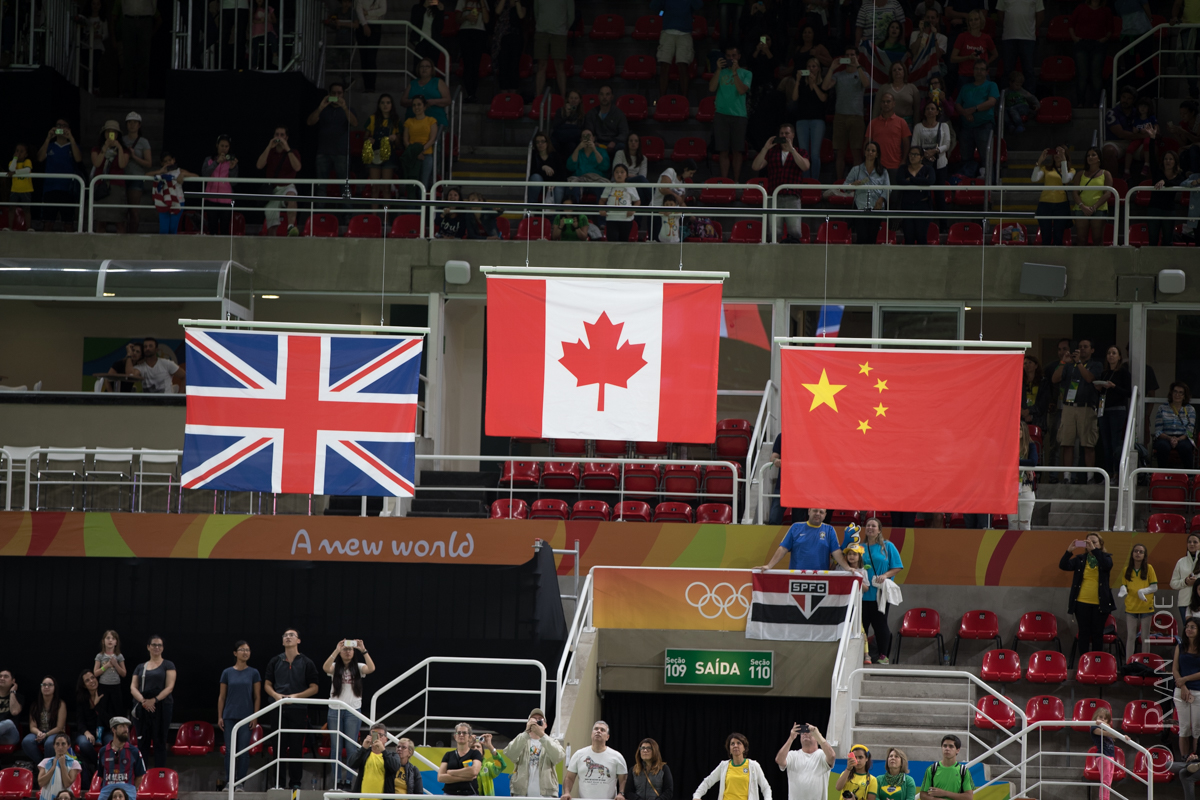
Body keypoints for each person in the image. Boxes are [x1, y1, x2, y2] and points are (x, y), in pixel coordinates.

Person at [264, 629, 320, 790]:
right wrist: (276, 695)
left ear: (299, 641)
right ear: (282, 641)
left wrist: (295, 697)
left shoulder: (307, 662)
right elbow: (267, 684)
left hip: (298, 709)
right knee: (278, 747)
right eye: (285, 636)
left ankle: (295, 783)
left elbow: (314, 687)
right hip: (278, 707)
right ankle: (278, 783)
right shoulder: (275, 661)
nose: (288, 637)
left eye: (291, 635)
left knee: (296, 747)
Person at [323, 638, 376, 790]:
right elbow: (325, 667)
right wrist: (336, 650)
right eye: (345, 649)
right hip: (334, 709)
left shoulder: (358, 667)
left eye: (350, 649)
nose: (347, 652)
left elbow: (371, 668)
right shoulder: (334, 666)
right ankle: (336, 780)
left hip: (353, 711)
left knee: (352, 747)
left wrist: (363, 649)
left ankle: (349, 781)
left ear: (354, 652)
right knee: (336, 748)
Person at [1052, 338, 1102, 482]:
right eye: (1080, 347)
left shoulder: (1095, 365)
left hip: (1086, 407)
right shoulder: (1069, 365)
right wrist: (1064, 361)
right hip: (1068, 407)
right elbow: (1054, 379)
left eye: (1086, 347)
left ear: (1092, 350)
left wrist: (1079, 363)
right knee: (1066, 443)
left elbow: (1089, 378)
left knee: (1088, 444)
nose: (1082, 349)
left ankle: (1089, 477)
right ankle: (1067, 477)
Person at [751, 124, 810, 242]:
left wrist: (792, 150)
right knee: (774, 233)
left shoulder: (800, 151)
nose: (784, 136)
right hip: (774, 197)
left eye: (787, 133)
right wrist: (765, 148)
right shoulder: (772, 152)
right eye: (782, 134)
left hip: (793, 197)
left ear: (793, 135)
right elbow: (755, 166)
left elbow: (805, 167)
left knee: (795, 231)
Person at [307, 83, 358, 218]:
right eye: (333, 93)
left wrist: (345, 107)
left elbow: (355, 123)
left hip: (341, 153)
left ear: (343, 94)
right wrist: (321, 107)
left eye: (339, 93)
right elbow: (310, 122)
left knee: (345, 187)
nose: (336, 96)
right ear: (329, 94)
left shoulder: (348, 109)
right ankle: (317, 217)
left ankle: (348, 218)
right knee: (321, 187)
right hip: (323, 152)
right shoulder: (323, 109)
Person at [1059, 533, 1115, 655]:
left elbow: (1107, 565)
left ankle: (1096, 661)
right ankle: (1084, 661)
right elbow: (1063, 565)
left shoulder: (1106, 557)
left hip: (1100, 604)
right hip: (1081, 602)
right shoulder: (1080, 559)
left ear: (1100, 544)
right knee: (1084, 633)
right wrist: (1069, 551)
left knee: (1097, 633)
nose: (1091, 544)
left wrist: (1094, 551)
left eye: (1094, 542)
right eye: (1088, 542)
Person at [217, 641, 261, 790]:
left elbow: (257, 696)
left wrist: (255, 716)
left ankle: (240, 783)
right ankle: (230, 781)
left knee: (243, 751)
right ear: (235, 653)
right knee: (230, 751)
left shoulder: (254, 672)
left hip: (246, 716)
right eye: (242, 650)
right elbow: (222, 697)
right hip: (229, 716)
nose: (245, 652)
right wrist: (220, 716)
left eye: (248, 650)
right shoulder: (227, 672)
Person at [861, 518, 903, 662]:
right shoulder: (860, 547)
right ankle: (863, 655)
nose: (870, 528)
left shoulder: (887, 546)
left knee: (880, 626)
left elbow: (897, 566)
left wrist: (885, 575)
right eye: (868, 525)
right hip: (862, 594)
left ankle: (883, 656)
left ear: (879, 530)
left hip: (879, 595)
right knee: (862, 627)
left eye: (874, 526)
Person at [824, 47, 869, 181]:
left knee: (856, 152)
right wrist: (832, 68)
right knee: (840, 153)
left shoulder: (863, 73)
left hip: (857, 117)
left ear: (858, 56)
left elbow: (866, 84)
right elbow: (825, 87)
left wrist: (858, 65)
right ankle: (839, 182)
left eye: (852, 55)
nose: (849, 57)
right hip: (840, 117)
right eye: (847, 55)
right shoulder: (839, 75)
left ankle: (857, 182)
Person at [130, 635, 175, 768]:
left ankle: (159, 775)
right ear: (148, 647)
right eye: (154, 645)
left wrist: (154, 700)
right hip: (142, 707)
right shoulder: (140, 667)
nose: (157, 647)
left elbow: (170, 687)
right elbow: (133, 687)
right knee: (142, 742)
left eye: (159, 645)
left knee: (159, 741)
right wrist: (144, 701)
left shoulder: (168, 664)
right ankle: (141, 775)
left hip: (162, 707)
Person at [758, 508, 851, 571]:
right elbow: (783, 549)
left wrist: (848, 568)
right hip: (797, 577)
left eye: (821, 512)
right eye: (815, 511)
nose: (818, 514)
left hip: (820, 578)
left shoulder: (829, 530)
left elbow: (836, 552)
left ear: (825, 515)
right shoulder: (795, 527)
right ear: (809, 511)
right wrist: (769, 566)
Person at [709, 47, 752, 182]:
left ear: (739, 56)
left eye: (734, 55)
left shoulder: (746, 73)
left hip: (739, 115)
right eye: (728, 56)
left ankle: (737, 181)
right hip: (721, 114)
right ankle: (725, 181)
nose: (731, 58)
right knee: (723, 150)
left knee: (737, 151)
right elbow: (711, 88)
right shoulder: (720, 72)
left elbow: (741, 90)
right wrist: (717, 70)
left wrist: (734, 73)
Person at [954, 59, 998, 183]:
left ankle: (990, 186)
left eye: (982, 69)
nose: (979, 71)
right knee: (965, 158)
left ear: (987, 72)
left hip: (984, 126)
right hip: (966, 126)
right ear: (973, 71)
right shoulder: (965, 87)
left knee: (986, 157)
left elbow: (992, 102)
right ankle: (966, 185)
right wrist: (965, 113)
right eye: (976, 69)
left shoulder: (991, 85)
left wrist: (973, 110)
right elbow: (957, 104)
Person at [505, 708, 564, 798]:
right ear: (528, 723)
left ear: (545, 725)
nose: (536, 721)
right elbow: (510, 753)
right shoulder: (521, 740)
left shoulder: (552, 742)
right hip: (521, 794)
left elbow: (558, 756)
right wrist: (526, 733)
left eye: (539, 719)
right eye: (533, 719)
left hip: (546, 795)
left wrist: (542, 735)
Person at [37, 120, 83, 232]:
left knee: (68, 224)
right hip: (50, 188)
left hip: (67, 190)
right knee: (48, 223)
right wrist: (48, 138)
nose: (61, 128)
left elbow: (78, 159)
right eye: (58, 125)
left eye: (64, 126)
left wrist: (71, 138)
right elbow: (40, 158)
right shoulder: (50, 145)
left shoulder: (73, 146)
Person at [694, 733, 771, 800]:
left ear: (744, 748)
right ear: (729, 749)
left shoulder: (753, 765)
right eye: (732, 744)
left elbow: (765, 787)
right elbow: (707, 781)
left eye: (739, 743)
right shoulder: (723, 766)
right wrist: (696, 796)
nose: (735, 746)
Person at [563, 721, 626, 800]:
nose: (598, 731)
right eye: (596, 729)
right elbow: (569, 778)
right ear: (591, 734)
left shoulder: (617, 756)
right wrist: (567, 793)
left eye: (602, 730)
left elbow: (623, 779)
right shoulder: (578, 754)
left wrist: (621, 794)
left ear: (607, 737)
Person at [652, 0, 703, 98]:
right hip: (668, 31)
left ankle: (684, 99)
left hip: (684, 33)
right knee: (664, 65)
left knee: (683, 65)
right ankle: (662, 99)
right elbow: (654, 6)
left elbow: (698, 5)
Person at [256, 126, 301, 235]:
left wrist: (287, 149)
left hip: (287, 186)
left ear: (286, 137)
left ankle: (291, 227)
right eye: (277, 135)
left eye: (282, 135)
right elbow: (259, 165)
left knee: (291, 197)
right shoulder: (270, 152)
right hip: (273, 190)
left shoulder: (293, 152)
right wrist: (268, 147)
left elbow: (297, 168)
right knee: (271, 227)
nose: (279, 137)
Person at [843, 141, 890, 245]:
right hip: (860, 207)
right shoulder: (856, 170)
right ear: (864, 152)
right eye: (868, 150)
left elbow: (888, 188)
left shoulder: (883, 171)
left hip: (876, 208)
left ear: (877, 154)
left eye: (873, 150)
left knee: (872, 238)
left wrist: (881, 199)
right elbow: (844, 187)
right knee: (862, 237)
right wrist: (853, 185)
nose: (870, 152)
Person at [1095, 345, 1131, 476]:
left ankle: (1117, 473)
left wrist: (1114, 386)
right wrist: (1100, 388)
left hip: (1117, 410)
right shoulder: (1104, 373)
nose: (1111, 355)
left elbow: (1128, 392)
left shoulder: (1123, 373)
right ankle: (1108, 474)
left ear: (1119, 357)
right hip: (1104, 410)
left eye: (1114, 353)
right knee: (1106, 444)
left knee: (1115, 443)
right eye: (1109, 353)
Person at [995, 0, 1043, 96]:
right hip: (1009, 37)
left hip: (1027, 38)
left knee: (1028, 69)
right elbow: (1000, 13)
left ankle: (1030, 99)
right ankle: (1005, 99)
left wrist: (1030, 29)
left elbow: (1040, 15)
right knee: (1007, 70)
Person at [775, 723, 834, 800]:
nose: (805, 733)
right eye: (802, 732)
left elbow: (832, 756)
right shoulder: (793, 755)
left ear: (816, 736)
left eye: (808, 731)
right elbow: (779, 760)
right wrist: (791, 738)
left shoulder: (822, 755)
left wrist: (818, 735)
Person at [791, 59, 828, 180]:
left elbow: (823, 98)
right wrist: (797, 80)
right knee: (803, 153)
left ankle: (814, 181)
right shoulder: (802, 83)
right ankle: (805, 180)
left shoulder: (823, 83)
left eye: (814, 66)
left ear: (818, 69)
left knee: (815, 154)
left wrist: (813, 85)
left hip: (817, 120)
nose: (811, 69)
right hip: (802, 120)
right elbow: (794, 97)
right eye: (809, 66)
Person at [1071, 0, 1114, 104]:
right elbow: (1071, 24)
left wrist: (1105, 38)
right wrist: (1074, 38)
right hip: (1082, 43)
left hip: (1098, 44)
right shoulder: (1081, 8)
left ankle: (1096, 103)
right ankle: (1080, 103)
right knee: (1082, 75)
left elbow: (1111, 28)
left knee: (1096, 75)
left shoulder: (1106, 10)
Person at [90, 119, 129, 233]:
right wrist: (105, 148)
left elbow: (122, 164)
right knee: (101, 221)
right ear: (104, 133)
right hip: (101, 186)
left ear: (117, 135)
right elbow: (97, 163)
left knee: (119, 221)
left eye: (114, 132)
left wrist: (119, 148)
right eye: (108, 132)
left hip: (117, 187)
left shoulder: (124, 150)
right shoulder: (96, 149)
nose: (111, 134)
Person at [145, 153, 198, 235]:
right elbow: (146, 175)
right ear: (162, 163)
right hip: (163, 202)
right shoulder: (161, 172)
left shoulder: (179, 171)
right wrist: (160, 172)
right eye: (165, 161)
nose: (168, 163)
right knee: (164, 230)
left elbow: (197, 177)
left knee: (173, 229)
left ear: (174, 160)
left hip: (178, 202)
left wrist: (183, 175)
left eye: (169, 160)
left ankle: (172, 247)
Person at [1119, 543, 1157, 654]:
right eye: (1136, 551)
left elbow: (1154, 587)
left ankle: (1145, 662)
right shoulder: (1126, 570)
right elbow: (1124, 585)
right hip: (1131, 607)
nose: (1138, 553)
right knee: (1131, 637)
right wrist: (1123, 589)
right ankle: (1129, 663)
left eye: (1141, 552)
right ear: (1132, 554)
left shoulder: (1149, 568)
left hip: (1146, 606)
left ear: (1144, 555)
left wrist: (1142, 591)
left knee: (1145, 637)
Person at [865, 92, 911, 182]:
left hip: (895, 165)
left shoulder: (901, 122)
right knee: (877, 194)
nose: (885, 104)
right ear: (880, 104)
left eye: (888, 101)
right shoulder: (873, 123)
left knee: (894, 195)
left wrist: (903, 160)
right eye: (883, 102)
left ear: (894, 103)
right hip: (876, 165)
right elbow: (867, 143)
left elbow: (906, 143)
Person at [1032, 146, 1074, 246]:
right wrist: (1040, 161)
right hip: (1045, 203)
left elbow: (1065, 179)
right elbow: (1034, 179)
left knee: (1058, 235)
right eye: (1055, 152)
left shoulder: (1071, 170)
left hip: (1061, 204)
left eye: (1060, 153)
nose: (1057, 155)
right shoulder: (1046, 168)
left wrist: (1063, 161)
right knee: (1045, 234)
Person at [364, 94, 401, 205]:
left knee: (386, 188)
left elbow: (399, 144)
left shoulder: (396, 120)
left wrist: (395, 138)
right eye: (383, 103)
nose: (385, 105)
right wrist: (368, 140)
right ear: (379, 105)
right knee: (374, 188)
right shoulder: (372, 119)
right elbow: (365, 137)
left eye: (388, 102)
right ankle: (374, 218)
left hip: (389, 156)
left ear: (392, 105)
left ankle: (386, 220)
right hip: (374, 155)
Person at [1070, 147, 1111, 246]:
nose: (1090, 157)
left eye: (1093, 155)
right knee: (1081, 239)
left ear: (1099, 158)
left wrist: (1094, 207)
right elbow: (1075, 192)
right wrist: (1082, 206)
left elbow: (1108, 193)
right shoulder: (1080, 174)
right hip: (1081, 209)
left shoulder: (1106, 174)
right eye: (1088, 155)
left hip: (1099, 209)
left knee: (1097, 238)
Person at [76, 669, 115, 774]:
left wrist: (97, 706)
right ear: (84, 685)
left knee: (112, 743)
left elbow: (110, 721)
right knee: (84, 743)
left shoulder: (105, 696)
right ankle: (99, 766)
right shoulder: (81, 699)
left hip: (105, 731)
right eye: (87, 680)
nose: (92, 681)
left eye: (93, 678)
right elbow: (80, 722)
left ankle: (105, 769)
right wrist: (87, 732)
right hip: (87, 731)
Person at [96, 717, 145, 800]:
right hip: (107, 788)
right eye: (122, 726)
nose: (126, 730)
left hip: (128, 789)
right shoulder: (103, 751)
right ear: (113, 729)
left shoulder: (134, 751)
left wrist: (131, 789)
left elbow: (140, 776)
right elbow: (101, 775)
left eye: (127, 727)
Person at [1147, 141, 1186, 246]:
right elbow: (1151, 157)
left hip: (1169, 210)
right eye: (1166, 159)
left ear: (1175, 162)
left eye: (1170, 159)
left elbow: (1177, 183)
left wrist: (1164, 181)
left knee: (1168, 240)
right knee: (1153, 239)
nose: (1168, 161)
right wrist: (1152, 138)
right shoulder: (1157, 172)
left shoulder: (1179, 176)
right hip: (1154, 209)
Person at [532, 0, 572, 98]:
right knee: (541, 66)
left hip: (559, 33)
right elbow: (536, 12)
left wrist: (563, 29)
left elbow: (571, 14)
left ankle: (562, 98)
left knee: (560, 66)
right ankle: (538, 98)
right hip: (542, 32)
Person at [21, 676, 67, 761]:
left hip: (55, 732)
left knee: (49, 743)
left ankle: (48, 766)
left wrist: (46, 735)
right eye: (44, 685)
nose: (46, 687)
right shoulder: (35, 705)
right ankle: (40, 764)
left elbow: (59, 727)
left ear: (55, 688)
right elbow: (32, 727)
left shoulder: (60, 704)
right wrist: (39, 733)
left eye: (50, 685)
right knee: (27, 741)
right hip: (40, 732)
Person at [200, 136, 239, 235]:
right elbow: (204, 174)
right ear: (217, 146)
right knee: (212, 228)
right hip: (210, 198)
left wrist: (232, 168)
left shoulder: (232, 161)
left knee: (224, 228)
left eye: (226, 146)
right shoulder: (209, 160)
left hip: (226, 200)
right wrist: (216, 163)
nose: (224, 148)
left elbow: (234, 182)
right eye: (222, 146)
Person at [120, 113, 151, 233]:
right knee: (121, 210)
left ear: (139, 125)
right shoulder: (121, 140)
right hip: (121, 176)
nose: (132, 125)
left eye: (134, 122)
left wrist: (133, 156)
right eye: (129, 122)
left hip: (136, 178)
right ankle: (121, 234)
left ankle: (132, 236)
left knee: (134, 210)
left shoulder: (143, 142)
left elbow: (148, 163)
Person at [895, 145, 933, 243]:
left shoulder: (928, 169)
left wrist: (912, 179)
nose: (912, 156)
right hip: (907, 205)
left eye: (916, 154)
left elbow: (930, 181)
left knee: (921, 236)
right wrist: (921, 181)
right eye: (911, 154)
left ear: (921, 157)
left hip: (923, 205)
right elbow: (900, 181)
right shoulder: (903, 169)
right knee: (908, 237)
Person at [1153, 382, 1196, 467]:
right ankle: (1162, 474)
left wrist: (1178, 439)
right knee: (1162, 446)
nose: (1177, 395)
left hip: (1183, 437)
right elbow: (1158, 430)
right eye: (1175, 392)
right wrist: (1170, 438)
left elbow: (1190, 431)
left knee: (1185, 447)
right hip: (1165, 436)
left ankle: (1189, 476)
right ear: (1171, 393)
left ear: (1184, 396)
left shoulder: (1190, 409)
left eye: (1181, 393)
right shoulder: (1162, 408)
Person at [949, 11, 997, 87]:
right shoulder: (962, 37)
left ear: (981, 20)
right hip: (966, 75)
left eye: (976, 19)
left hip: (982, 75)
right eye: (971, 20)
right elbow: (953, 58)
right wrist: (968, 57)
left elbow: (995, 54)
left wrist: (985, 63)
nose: (973, 22)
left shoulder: (986, 38)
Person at [349, 724, 400, 795]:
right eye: (374, 734)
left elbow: (395, 767)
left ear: (386, 739)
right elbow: (351, 764)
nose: (377, 738)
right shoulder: (364, 753)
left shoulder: (392, 755)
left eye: (380, 735)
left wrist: (383, 750)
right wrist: (363, 748)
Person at [917, 736, 973, 800]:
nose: (947, 748)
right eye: (945, 746)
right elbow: (923, 795)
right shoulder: (932, 769)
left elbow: (969, 797)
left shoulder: (963, 771)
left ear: (957, 750)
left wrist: (944, 793)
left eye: (951, 746)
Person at [402, 58, 451, 129]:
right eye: (422, 66)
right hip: (413, 124)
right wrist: (416, 102)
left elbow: (448, 100)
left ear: (432, 69)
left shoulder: (438, 82)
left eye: (427, 66)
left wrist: (433, 102)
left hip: (436, 123)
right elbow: (402, 101)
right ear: (418, 69)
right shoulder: (412, 83)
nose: (424, 69)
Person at [1175, 618, 1200, 757]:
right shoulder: (1180, 647)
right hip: (1181, 691)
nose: (1188, 629)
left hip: (1198, 691)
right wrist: (1183, 685)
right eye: (1187, 627)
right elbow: (1175, 669)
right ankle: (1185, 759)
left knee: (1197, 729)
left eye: (1193, 627)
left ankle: (1196, 760)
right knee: (1184, 729)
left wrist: (1185, 679)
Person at [402, 95, 438, 190]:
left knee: (424, 183)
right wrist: (415, 152)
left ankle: (421, 205)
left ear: (424, 106)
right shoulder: (409, 122)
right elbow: (406, 140)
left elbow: (432, 140)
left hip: (427, 155)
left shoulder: (431, 121)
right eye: (414, 105)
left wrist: (420, 150)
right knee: (412, 183)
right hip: (412, 155)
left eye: (419, 104)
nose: (416, 107)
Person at [456, 0, 489, 102]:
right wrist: (466, 17)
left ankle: (473, 93)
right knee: (467, 63)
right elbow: (457, 19)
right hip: (466, 32)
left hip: (479, 33)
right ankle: (469, 93)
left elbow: (486, 20)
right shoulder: (462, 1)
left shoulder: (483, 2)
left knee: (476, 64)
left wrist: (482, 3)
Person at [585, 87, 630, 159]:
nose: (604, 97)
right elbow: (588, 130)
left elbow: (624, 133)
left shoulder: (618, 113)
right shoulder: (591, 113)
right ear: (598, 96)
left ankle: (618, 169)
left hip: (613, 143)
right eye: (602, 94)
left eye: (607, 94)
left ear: (612, 97)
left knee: (621, 146)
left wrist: (614, 141)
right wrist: (593, 141)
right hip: (597, 142)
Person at [440, 722, 484, 795]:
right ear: (455, 736)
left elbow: (474, 771)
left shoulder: (475, 754)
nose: (461, 735)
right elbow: (441, 777)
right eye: (459, 733)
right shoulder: (448, 755)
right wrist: (466, 778)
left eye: (464, 733)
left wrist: (451, 772)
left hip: (470, 794)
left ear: (470, 737)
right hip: (449, 794)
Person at [492, 0, 526, 93]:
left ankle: (513, 94)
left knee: (514, 66)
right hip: (502, 37)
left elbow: (521, 15)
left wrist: (517, 2)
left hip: (516, 36)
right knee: (503, 66)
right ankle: (504, 94)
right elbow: (497, 11)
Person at [600, 165, 639, 242]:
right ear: (613, 174)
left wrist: (633, 210)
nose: (619, 174)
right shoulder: (609, 186)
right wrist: (601, 209)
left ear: (626, 174)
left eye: (622, 172)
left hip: (626, 219)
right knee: (612, 240)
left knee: (623, 242)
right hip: (611, 218)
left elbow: (637, 201)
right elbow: (602, 200)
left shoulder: (630, 187)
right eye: (617, 172)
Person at [566, 130, 610, 199]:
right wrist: (577, 149)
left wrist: (594, 149)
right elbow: (570, 167)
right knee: (572, 188)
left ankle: (601, 209)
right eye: (584, 136)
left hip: (597, 181)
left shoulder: (601, 151)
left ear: (593, 138)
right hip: (580, 180)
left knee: (603, 190)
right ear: (581, 139)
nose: (587, 138)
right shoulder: (578, 151)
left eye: (589, 136)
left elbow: (605, 167)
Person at [875, 63, 920, 129]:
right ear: (891, 73)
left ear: (904, 71)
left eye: (899, 69)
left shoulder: (912, 88)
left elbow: (917, 110)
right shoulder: (884, 88)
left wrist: (917, 127)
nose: (897, 71)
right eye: (894, 70)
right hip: (887, 124)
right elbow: (876, 109)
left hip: (907, 125)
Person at [37, 734, 81, 800]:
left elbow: (67, 784)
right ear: (54, 746)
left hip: (64, 797)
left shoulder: (74, 763)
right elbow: (41, 783)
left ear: (68, 746)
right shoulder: (45, 762)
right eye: (57, 744)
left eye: (63, 744)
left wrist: (62, 765)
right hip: (46, 796)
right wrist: (53, 767)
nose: (60, 747)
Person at [528, 131, 565, 206]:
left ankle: (557, 215)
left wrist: (554, 183)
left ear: (547, 143)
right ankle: (531, 210)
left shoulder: (555, 155)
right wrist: (543, 167)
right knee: (535, 178)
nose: (540, 144)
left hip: (554, 184)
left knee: (559, 187)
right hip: (540, 185)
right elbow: (532, 172)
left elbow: (562, 173)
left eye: (542, 141)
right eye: (537, 142)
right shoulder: (533, 156)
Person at [1124, 97, 1157, 179]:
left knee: (1147, 143)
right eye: (1141, 106)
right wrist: (1137, 130)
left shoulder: (1151, 118)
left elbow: (1156, 129)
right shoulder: (1136, 119)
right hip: (1138, 138)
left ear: (1149, 108)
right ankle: (1126, 171)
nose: (1142, 108)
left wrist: (1148, 131)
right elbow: (1134, 130)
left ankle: (1146, 164)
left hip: (1148, 137)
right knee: (1130, 149)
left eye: (1145, 106)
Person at [94, 630, 126, 713]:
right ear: (103, 641)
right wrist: (106, 666)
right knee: (103, 708)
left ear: (116, 642)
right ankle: (102, 726)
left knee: (117, 708)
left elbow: (124, 673)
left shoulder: (119, 656)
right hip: (103, 685)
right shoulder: (100, 656)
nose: (110, 640)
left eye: (113, 638)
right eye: (108, 638)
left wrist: (116, 664)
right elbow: (95, 673)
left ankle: (118, 726)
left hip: (116, 686)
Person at [409, 0, 446, 72]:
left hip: (433, 42)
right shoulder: (417, 7)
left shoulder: (437, 9)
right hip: (420, 41)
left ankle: (431, 83)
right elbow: (414, 21)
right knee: (418, 67)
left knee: (432, 67)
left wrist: (441, 11)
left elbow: (439, 28)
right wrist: (424, 7)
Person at [613, 133, 650, 204]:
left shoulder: (643, 158)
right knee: (640, 179)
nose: (633, 142)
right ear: (627, 142)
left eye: (636, 141)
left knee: (639, 189)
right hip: (621, 179)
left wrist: (631, 176)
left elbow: (643, 176)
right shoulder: (620, 153)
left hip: (636, 182)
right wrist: (633, 176)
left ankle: (639, 213)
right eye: (631, 141)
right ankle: (653, 198)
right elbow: (616, 171)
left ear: (639, 144)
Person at [1172, 535, 1200, 625]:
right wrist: (1185, 582)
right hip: (1185, 602)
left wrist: (1197, 582)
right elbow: (1173, 583)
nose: (1192, 544)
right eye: (1189, 542)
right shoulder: (1181, 562)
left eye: (1195, 542)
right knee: (1188, 631)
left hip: (1199, 602)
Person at [1016, 422, 1038, 530]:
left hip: (1026, 489)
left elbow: (1033, 461)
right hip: (1011, 490)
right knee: (1012, 525)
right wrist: (1024, 464)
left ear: (1024, 431)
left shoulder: (1030, 445)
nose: (1017, 431)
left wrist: (1016, 462)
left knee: (1025, 524)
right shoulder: (1008, 445)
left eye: (1020, 429)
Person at [552, 90, 586, 156]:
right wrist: (566, 115)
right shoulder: (560, 111)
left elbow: (581, 129)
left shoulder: (582, 115)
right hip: (560, 138)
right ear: (568, 99)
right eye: (571, 98)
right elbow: (555, 127)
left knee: (571, 145)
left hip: (573, 140)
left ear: (580, 100)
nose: (573, 100)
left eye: (576, 98)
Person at [7, 142, 33, 230]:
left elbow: (27, 170)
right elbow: (11, 169)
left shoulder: (27, 161)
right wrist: (15, 158)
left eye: (21, 151)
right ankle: (10, 227)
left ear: (26, 154)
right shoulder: (12, 162)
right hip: (14, 189)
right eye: (17, 151)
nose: (18, 153)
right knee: (11, 209)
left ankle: (28, 227)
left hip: (26, 190)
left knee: (26, 210)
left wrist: (15, 173)